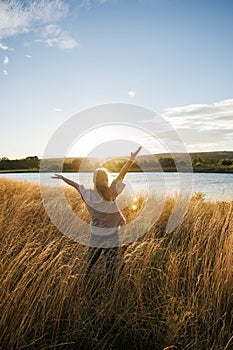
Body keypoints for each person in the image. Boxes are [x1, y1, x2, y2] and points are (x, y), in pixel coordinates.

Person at [51, 146, 142, 287]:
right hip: (112, 235)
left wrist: (63, 178)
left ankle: (84, 285)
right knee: (110, 267)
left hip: (96, 235)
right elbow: (122, 174)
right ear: (106, 180)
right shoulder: (111, 192)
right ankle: (110, 291)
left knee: (90, 264)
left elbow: (75, 185)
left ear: (94, 180)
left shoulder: (87, 194)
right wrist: (130, 160)